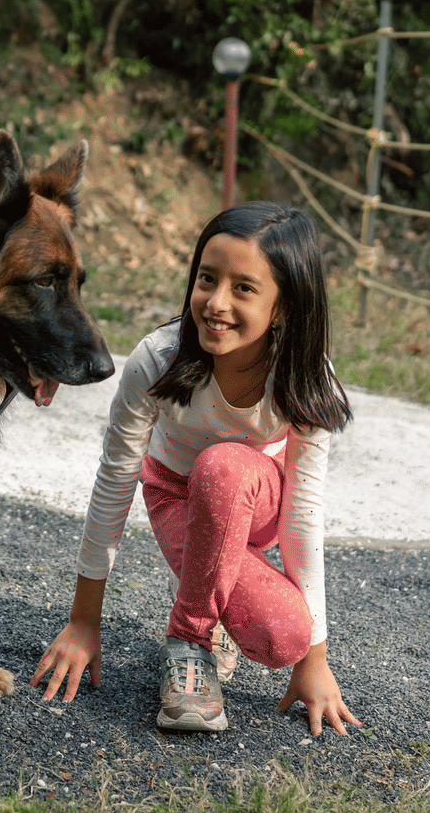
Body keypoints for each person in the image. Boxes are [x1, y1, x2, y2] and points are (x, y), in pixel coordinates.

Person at [32, 202, 361, 736]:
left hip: (260, 506)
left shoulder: (304, 375)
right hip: (177, 494)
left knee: (289, 639)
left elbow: (303, 511)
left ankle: (200, 607)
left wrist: (315, 661)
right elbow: (115, 480)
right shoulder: (157, 359)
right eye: (208, 279)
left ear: (283, 307)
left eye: (245, 289)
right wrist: (83, 621)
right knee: (273, 618)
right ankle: (191, 646)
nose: (217, 303)